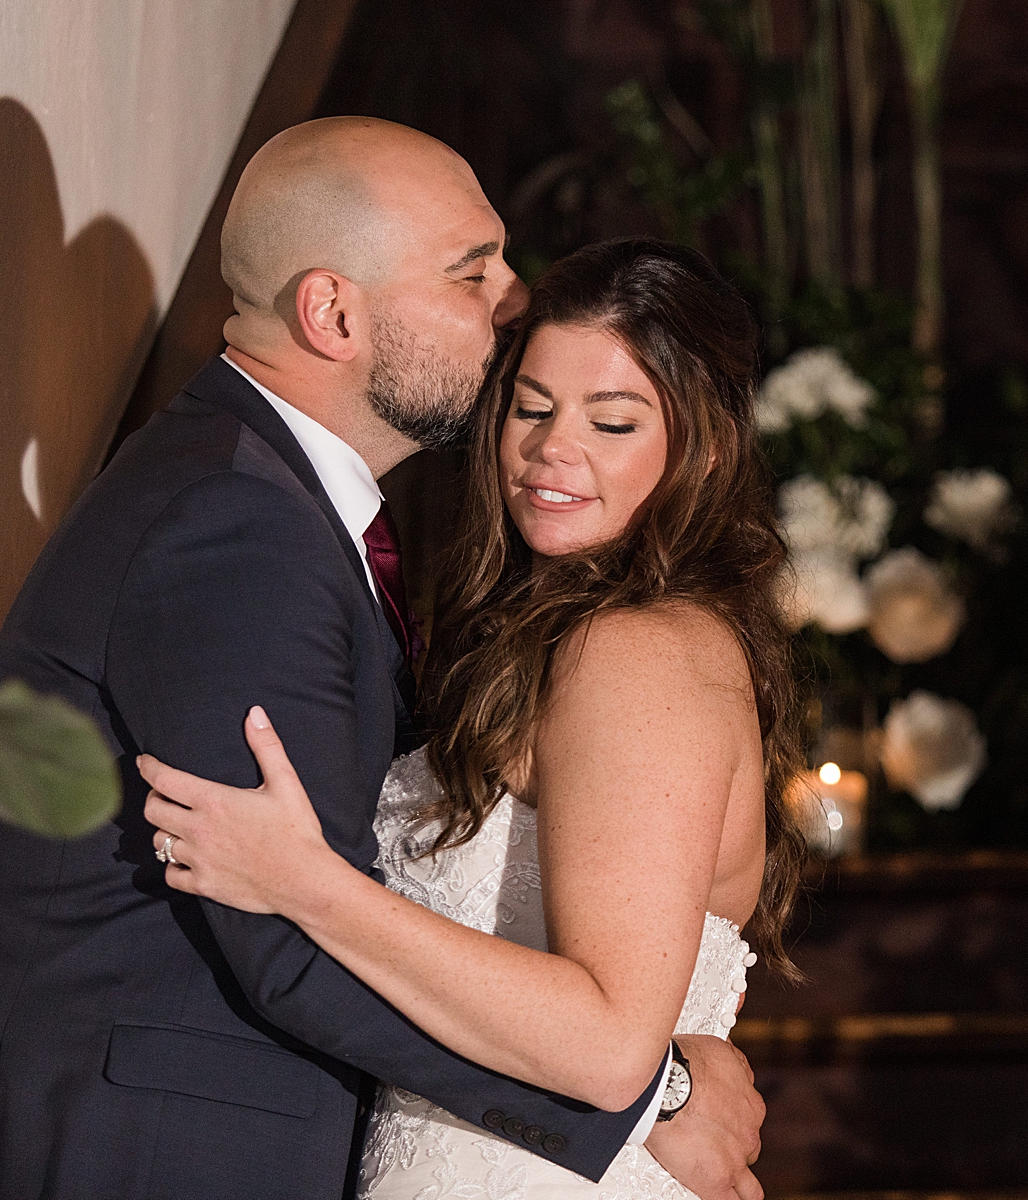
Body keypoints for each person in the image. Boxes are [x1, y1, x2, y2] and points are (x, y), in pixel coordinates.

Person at [0, 119, 763, 1200]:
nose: (511, 301)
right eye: (471, 272)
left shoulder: (282, 508)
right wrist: (652, 1105)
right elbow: (285, 942)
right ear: (335, 313)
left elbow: (313, 894)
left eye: (614, 420)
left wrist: (638, 1091)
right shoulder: (237, 523)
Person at [138, 236, 808, 1199]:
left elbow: (613, 1043)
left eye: (612, 423)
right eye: (531, 409)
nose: (551, 451)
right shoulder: (546, 635)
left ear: (699, 447)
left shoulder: (640, 650)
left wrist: (304, 882)